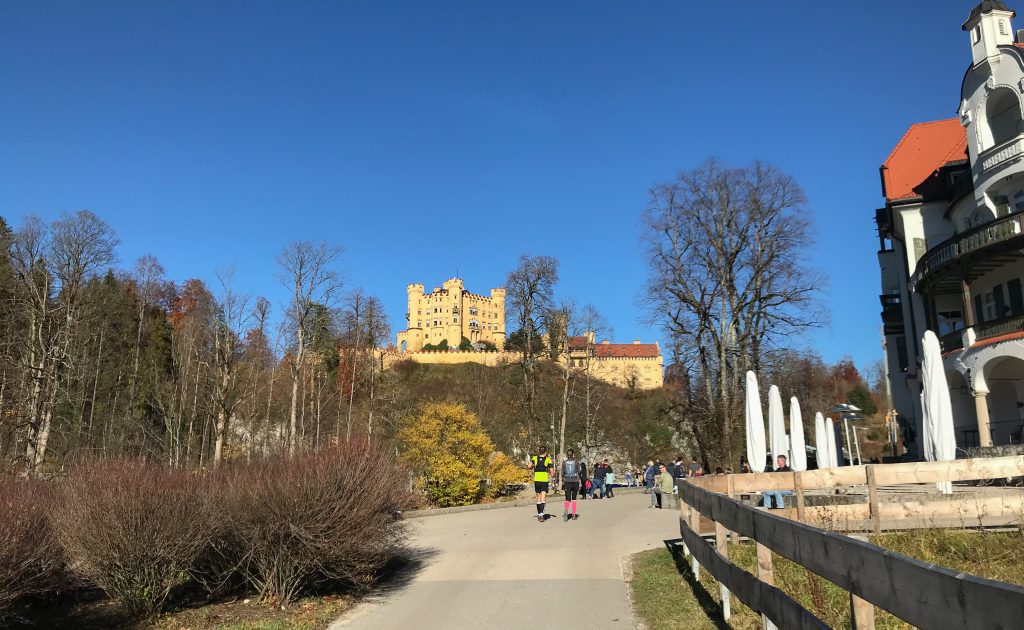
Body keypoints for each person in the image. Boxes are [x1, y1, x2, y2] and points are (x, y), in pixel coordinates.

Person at [530, 446, 554, 523]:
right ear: (545, 452)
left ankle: (539, 514)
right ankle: (542, 514)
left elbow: (529, 466)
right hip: (544, 480)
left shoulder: (534, 458)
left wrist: (532, 467)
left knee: (538, 496)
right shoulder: (548, 459)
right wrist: (552, 475)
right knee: (543, 496)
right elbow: (552, 472)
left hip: (537, 479)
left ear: (539, 452)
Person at [561, 449, 581, 521]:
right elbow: (579, 471)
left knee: (567, 499)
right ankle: (573, 514)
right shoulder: (576, 462)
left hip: (567, 481)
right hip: (575, 480)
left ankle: (565, 513)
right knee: (574, 499)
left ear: (567, 455)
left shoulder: (564, 462)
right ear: (573, 454)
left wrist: (564, 479)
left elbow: (562, 473)